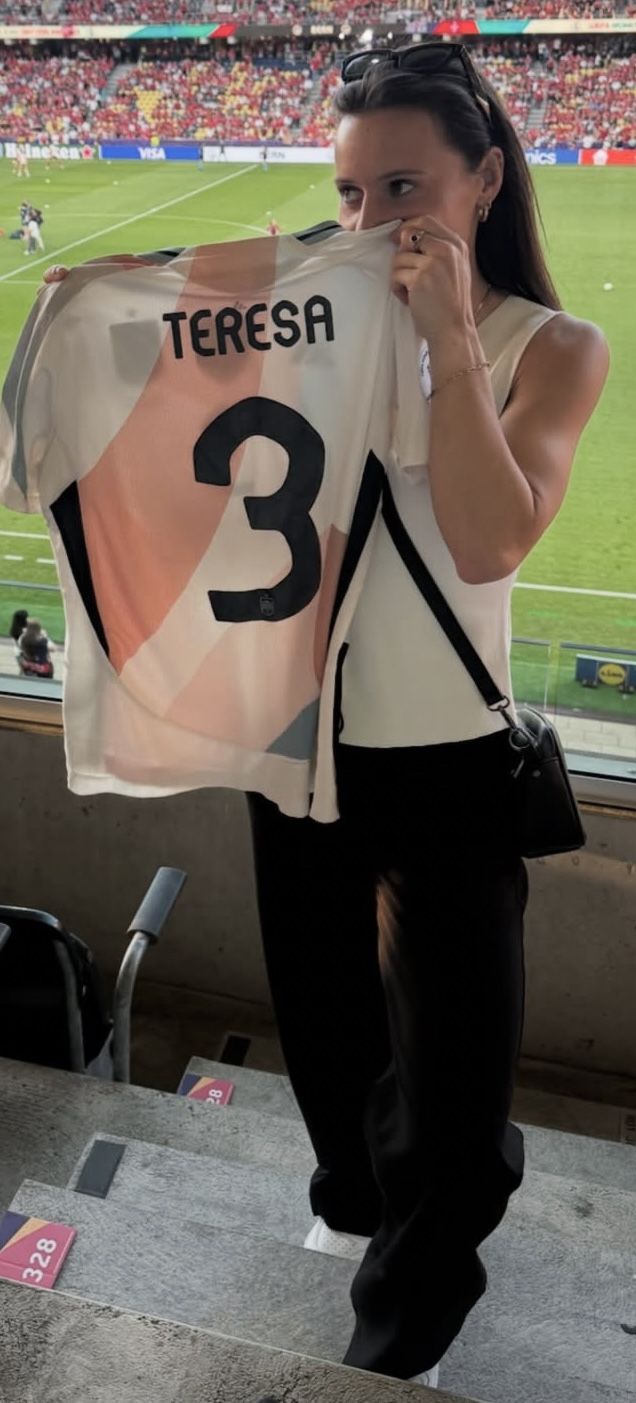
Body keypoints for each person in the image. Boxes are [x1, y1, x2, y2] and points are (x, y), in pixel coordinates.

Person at [41, 38, 609, 1389]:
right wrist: (93, 320)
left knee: (456, 1082)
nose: (365, 221)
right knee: (329, 1033)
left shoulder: (551, 348)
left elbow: (489, 538)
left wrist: (448, 338)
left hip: (450, 762)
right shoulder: (302, 307)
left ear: (484, 179)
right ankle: (361, 1200)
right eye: (348, 191)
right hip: (298, 741)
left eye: (402, 188)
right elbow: (152, 382)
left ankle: (404, 1324)